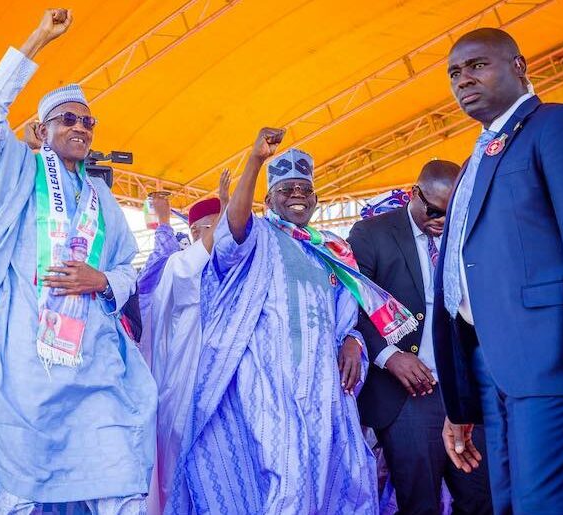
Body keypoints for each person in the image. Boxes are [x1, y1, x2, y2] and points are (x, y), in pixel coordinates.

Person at [0, 9, 156, 514]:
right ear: (43, 129)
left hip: (94, 363)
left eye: (88, 121)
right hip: (27, 364)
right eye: (68, 118)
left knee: (121, 475)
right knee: (23, 489)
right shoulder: (18, 171)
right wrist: (38, 39)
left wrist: (103, 279)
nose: (81, 127)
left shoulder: (102, 198)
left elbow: (129, 266)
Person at [168, 128, 419, 514]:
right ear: (268, 200)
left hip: (324, 387)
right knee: (284, 477)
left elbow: (345, 314)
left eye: (305, 188)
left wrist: (353, 339)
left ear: (316, 198)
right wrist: (255, 160)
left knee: (338, 478)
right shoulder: (260, 235)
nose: (297, 194)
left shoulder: (330, 250)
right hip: (267, 382)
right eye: (286, 190)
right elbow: (233, 229)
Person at [434, 28, 563, 513]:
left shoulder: (559, 126)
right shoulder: (474, 160)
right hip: (486, 366)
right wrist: (457, 403)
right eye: (455, 73)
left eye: (477, 65)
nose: (463, 80)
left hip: (550, 363)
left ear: (519, 66)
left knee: (547, 504)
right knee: (505, 503)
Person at [348, 160, 492, 514]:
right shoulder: (371, 233)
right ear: (415, 193)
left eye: (450, 211)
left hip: (463, 388)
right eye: (433, 210)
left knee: (482, 495)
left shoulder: (466, 233)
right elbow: (354, 303)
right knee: (420, 502)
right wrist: (389, 355)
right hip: (407, 395)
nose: (441, 220)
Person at [138, 172, 229, 513]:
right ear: (195, 233)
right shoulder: (181, 263)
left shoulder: (237, 267)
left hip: (225, 380)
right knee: (182, 461)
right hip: (186, 381)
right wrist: (226, 205)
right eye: (212, 227)